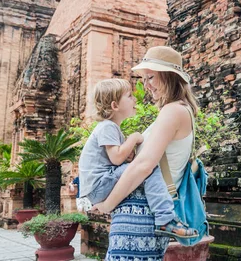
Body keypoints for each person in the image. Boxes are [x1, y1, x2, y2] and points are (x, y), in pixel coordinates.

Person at [91, 46, 199, 260]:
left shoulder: (173, 111)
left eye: (150, 77)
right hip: (142, 212)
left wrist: (107, 205)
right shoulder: (175, 110)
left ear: (170, 77)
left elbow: (143, 166)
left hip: (143, 213)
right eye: (143, 79)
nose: (146, 85)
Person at [79, 78, 197, 239]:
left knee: (143, 167)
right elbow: (116, 158)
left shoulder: (110, 128)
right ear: (115, 106)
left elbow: (117, 158)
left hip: (99, 184)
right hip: (100, 184)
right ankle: (165, 218)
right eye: (129, 96)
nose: (135, 99)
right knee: (149, 167)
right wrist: (134, 138)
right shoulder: (107, 126)